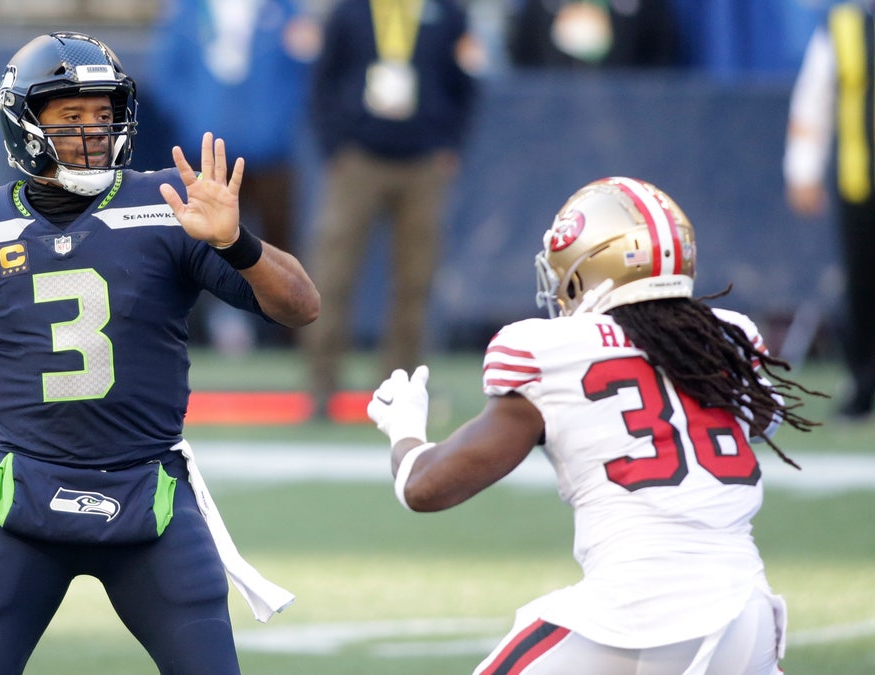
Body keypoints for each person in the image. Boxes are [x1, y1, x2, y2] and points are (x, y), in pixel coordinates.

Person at [0, 32, 319, 675]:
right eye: (71, 116)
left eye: (104, 115)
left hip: (150, 501)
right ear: (24, 122)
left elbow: (300, 307)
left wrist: (237, 241)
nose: (94, 132)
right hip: (22, 503)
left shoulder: (168, 207)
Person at [367, 177, 821, 673]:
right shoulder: (729, 340)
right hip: (745, 618)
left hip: (627, 616)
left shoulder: (550, 351)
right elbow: (764, 421)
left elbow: (425, 487)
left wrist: (404, 427)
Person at [300, 0, 478, 417]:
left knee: (415, 281)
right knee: (332, 273)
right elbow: (323, 80)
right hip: (359, 158)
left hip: (423, 162)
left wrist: (449, 145)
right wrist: (335, 146)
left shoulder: (448, 13)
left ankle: (399, 392)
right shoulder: (350, 12)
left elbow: (465, 83)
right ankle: (320, 388)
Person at [148, 0, 317, 352]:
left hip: (270, 150)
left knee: (277, 242)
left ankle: (287, 337)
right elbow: (167, 75)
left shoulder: (284, 10)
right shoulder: (188, 10)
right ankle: (197, 331)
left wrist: (277, 124)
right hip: (206, 148)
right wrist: (195, 119)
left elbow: (305, 74)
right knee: (196, 242)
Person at [784, 1, 875, 421]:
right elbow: (813, 98)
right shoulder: (845, 23)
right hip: (861, 179)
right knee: (863, 286)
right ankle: (863, 384)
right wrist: (803, 168)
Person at [506, 0, 681, 69]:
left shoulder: (645, 6)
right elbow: (523, 55)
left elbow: (661, 55)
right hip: (555, 119)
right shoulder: (541, 5)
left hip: (623, 119)